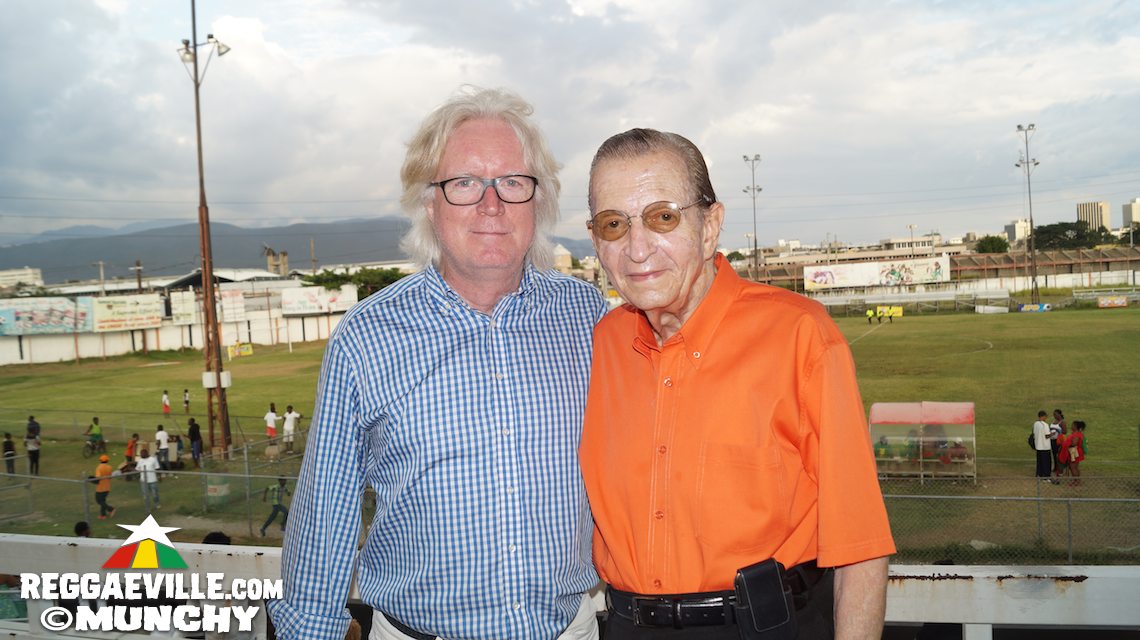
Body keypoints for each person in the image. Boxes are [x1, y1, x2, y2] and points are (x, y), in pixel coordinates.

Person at [269, 87, 607, 640]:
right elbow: (324, 518)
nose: (491, 205)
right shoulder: (367, 338)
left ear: (537, 201)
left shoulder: (587, 317)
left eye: (512, 183)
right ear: (430, 201)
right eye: (465, 183)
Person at [578, 128, 895, 639]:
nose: (637, 249)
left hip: (765, 626)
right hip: (628, 627)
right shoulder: (600, 345)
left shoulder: (801, 335)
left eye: (662, 217)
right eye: (614, 224)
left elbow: (860, 544)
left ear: (710, 226)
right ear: (595, 241)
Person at [1061, 420, 1087, 486]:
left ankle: (1076, 481)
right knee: (1075, 467)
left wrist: (1065, 444)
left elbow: (1074, 443)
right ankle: (1077, 480)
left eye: (1072, 425)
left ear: (1075, 426)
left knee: (1073, 467)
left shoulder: (1076, 434)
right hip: (1074, 451)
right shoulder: (1076, 433)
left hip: (1074, 451)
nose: (1071, 426)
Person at [1032, 410, 1054, 482]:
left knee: (1040, 462)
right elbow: (1047, 436)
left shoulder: (1035, 424)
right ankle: (1046, 477)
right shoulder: (1045, 425)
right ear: (1043, 416)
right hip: (1045, 447)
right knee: (1046, 462)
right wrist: (1052, 434)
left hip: (1038, 446)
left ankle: (1039, 475)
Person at [92, 454, 116, 520]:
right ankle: (103, 515)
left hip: (100, 488)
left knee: (99, 501)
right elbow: (110, 477)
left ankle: (111, 509)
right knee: (103, 501)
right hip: (107, 487)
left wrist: (92, 480)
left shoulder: (99, 468)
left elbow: (98, 478)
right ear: (107, 460)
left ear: (100, 460)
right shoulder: (109, 467)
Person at [1049, 409, 1067, 477]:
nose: (1054, 416)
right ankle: (1055, 467)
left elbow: (1065, 432)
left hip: (1058, 440)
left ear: (1059, 414)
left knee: (1058, 455)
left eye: (1056, 414)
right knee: (1054, 454)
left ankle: (1060, 468)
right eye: (1054, 414)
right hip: (1052, 439)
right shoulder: (1053, 421)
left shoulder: (1062, 422)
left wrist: (1057, 431)